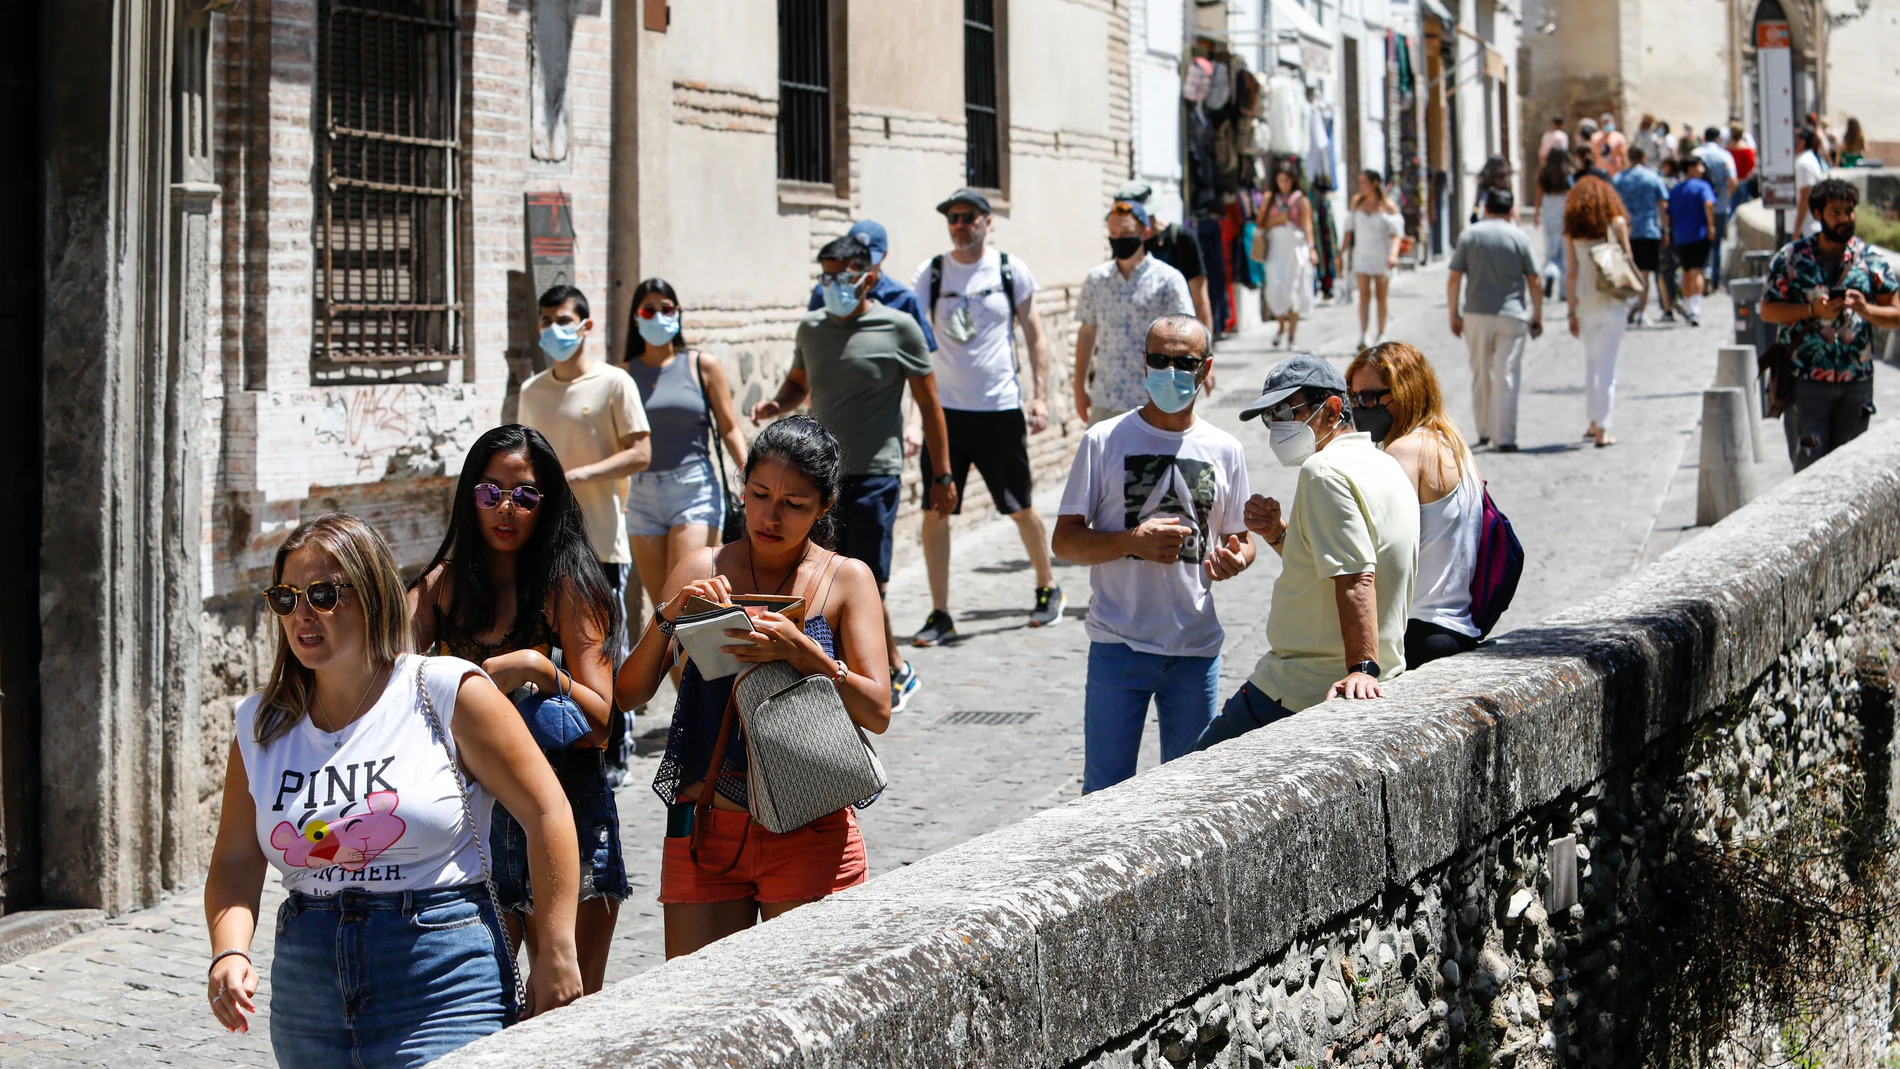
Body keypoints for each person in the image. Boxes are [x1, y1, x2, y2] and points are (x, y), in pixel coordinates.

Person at [204, 514, 583, 1066]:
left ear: (375, 594)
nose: (302, 614)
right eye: (286, 598)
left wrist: (556, 949)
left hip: (442, 975)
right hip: (311, 988)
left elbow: (546, 810)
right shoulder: (260, 724)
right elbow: (237, 860)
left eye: (324, 594)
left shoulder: (446, 690)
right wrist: (229, 950)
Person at [615, 415, 893, 958]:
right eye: (760, 494)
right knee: (700, 1018)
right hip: (706, 829)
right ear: (742, 490)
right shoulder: (703, 565)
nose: (770, 515)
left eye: (794, 503)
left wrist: (809, 656)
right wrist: (669, 617)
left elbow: (878, 710)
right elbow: (627, 694)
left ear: (824, 507)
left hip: (811, 828)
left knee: (816, 1012)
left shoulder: (846, 579)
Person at [408, 425, 627, 993]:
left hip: (567, 813)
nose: (507, 508)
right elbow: (383, 667)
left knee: (568, 1007)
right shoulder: (441, 588)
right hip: (473, 822)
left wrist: (536, 665)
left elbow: (603, 722)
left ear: (547, 503)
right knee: (488, 1006)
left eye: (526, 495)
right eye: (490, 493)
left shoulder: (568, 585)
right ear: (469, 498)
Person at [750, 234, 956, 713]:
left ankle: (891, 668)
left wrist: (941, 475)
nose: (834, 284)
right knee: (821, 579)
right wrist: (774, 406)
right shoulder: (812, 329)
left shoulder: (900, 327)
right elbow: (797, 385)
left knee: (864, 580)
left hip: (874, 473)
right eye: (826, 275)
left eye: (844, 275)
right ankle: (860, 667)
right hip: (815, 481)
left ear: (871, 277)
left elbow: (930, 405)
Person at [1052, 314, 1254, 792]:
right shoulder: (1105, 440)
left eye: (1184, 362)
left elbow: (1240, 540)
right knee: (1103, 794)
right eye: (1160, 359)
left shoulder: (1225, 449)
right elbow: (1064, 541)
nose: (1171, 371)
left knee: (1188, 797)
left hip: (1195, 649)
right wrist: (1129, 541)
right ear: (1143, 364)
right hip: (1118, 644)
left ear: (1206, 370)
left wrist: (1236, 560)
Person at [1191, 354, 1418, 747]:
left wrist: (1361, 668)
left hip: (1300, 684)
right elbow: (1332, 562)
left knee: (1192, 776)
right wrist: (1279, 533)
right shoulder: (1384, 464)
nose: (1277, 425)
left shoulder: (1323, 472)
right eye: (1270, 417)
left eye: (1286, 411)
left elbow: (1356, 575)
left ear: (1332, 409)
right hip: (1373, 672)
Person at [907, 187, 1065, 646]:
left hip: (998, 409)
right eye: (953, 218)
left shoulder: (1009, 270)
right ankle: (940, 614)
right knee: (936, 511)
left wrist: (1040, 397)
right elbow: (912, 347)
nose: (960, 224)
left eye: (969, 217)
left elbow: (1035, 336)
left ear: (987, 221)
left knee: (1019, 507)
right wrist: (915, 420)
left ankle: (1047, 586)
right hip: (945, 416)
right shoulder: (931, 274)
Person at [516, 285, 651, 665]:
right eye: (546, 321)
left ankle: (615, 723)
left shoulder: (614, 383)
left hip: (601, 537)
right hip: (542, 537)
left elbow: (641, 454)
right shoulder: (532, 390)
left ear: (585, 325)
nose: (553, 329)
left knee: (603, 645)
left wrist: (576, 476)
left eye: (563, 321)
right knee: (550, 645)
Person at [1343, 342, 1484, 667]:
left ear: (1404, 391)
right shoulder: (1455, 445)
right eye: (1353, 397)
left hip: (1415, 633)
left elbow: (1381, 549)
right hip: (1456, 627)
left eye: (1368, 397)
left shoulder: (1404, 452)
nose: (1358, 408)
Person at [625, 278, 749, 635]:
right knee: (665, 615)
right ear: (636, 318)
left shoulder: (702, 365)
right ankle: (686, 692)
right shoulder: (624, 374)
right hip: (642, 496)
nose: (659, 317)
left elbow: (729, 427)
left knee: (688, 605)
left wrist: (748, 474)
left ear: (678, 314)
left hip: (693, 488)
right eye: (650, 310)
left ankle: (702, 688)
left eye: (668, 309)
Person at [1759, 178, 1900, 471]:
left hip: (1856, 384)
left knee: (1851, 474)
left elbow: (1895, 315)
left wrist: (1865, 309)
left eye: (1849, 211)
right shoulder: (1792, 258)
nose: (1845, 219)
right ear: (1818, 214)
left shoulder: (1870, 260)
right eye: (1836, 212)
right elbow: (1769, 311)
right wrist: (1812, 309)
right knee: (1808, 472)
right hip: (1805, 383)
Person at [1073, 200, 1195, 425]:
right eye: (1113, 233)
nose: (1119, 239)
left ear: (1145, 233)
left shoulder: (1168, 280)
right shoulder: (1097, 280)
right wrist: (1079, 386)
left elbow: (1187, 339)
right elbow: (1087, 334)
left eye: (1126, 233)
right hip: (1106, 399)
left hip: (1154, 403)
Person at [1448, 187, 1544, 452]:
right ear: (1512, 210)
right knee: (1507, 374)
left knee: (1481, 372)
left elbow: (1454, 276)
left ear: (1486, 208)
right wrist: (1538, 314)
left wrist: (1453, 312)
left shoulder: (1470, 235)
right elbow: (1534, 280)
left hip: (1476, 314)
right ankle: (1505, 436)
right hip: (1512, 314)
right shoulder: (1520, 237)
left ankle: (1484, 430)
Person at [1563, 176, 1637, 447]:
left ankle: (1593, 421)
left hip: (1585, 303)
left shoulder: (1572, 232)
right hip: (1612, 301)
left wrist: (1570, 311)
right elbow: (1627, 260)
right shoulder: (1616, 224)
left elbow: (1571, 273)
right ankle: (1602, 428)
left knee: (1592, 363)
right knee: (1607, 367)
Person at [804, 219, 937, 351]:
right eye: (857, 261)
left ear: (884, 256)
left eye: (870, 260)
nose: (864, 266)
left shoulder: (904, 299)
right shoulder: (826, 291)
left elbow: (921, 354)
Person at [1114, 180, 1214, 334]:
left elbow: (1200, 301)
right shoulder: (1125, 244)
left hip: (1178, 337)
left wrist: (1204, 350)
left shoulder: (1182, 239)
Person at [1341, 169, 1405, 350]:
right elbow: (1348, 231)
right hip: (1362, 255)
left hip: (1381, 256)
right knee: (1363, 295)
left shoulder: (1388, 206)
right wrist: (1341, 253)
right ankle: (1364, 334)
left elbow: (1396, 235)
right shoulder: (1356, 203)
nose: (1360, 186)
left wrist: (1393, 254)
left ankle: (1382, 333)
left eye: (1364, 182)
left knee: (1381, 295)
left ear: (1374, 183)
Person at [1257, 166, 1317, 347]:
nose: (1283, 184)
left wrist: (1312, 248)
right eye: (1280, 180)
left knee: (1294, 290)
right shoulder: (1269, 199)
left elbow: (1307, 225)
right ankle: (1281, 325)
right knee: (1275, 289)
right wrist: (1276, 220)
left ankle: (1292, 336)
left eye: (1287, 180)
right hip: (1276, 248)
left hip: (1295, 249)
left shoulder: (1301, 200)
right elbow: (1260, 222)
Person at [1612, 146, 1670, 324]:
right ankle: (1642, 312)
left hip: (1625, 231)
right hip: (1648, 230)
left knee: (1627, 271)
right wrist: (1665, 229)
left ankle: (1629, 304)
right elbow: (1663, 205)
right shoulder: (1652, 177)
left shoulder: (1619, 179)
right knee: (1644, 274)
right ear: (1644, 157)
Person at [1667, 153, 1717, 326]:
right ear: (1691, 168)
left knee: (1687, 272)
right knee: (1697, 271)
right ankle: (1695, 309)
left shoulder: (1677, 189)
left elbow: (1669, 212)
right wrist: (1711, 226)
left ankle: (1688, 307)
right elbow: (1709, 204)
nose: (1702, 170)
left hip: (1681, 235)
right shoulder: (1702, 186)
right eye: (1699, 166)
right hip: (1699, 233)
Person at [1694, 128, 1739, 287]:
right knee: (1717, 244)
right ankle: (1715, 279)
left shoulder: (1696, 154)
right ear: (1718, 138)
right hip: (1719, 206)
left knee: (1699, 243)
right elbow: (1733, 181)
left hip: (1697, 207)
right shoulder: (1725, 156)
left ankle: (1702, 275)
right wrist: (1727, 197)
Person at [1537, 150, 1575, 300]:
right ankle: (1564, 292)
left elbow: (1539, 193)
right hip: (1563, 212)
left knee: (1551, 251)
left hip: (1548, 211)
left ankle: (1550, 273)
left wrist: (1536, 213)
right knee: (1565, 253)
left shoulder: (1543, 173)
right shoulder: (1567, 174)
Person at [1795, 128, 1830, 239]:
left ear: (1802, 142)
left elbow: (1805, 197)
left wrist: (1797, 229)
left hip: (1806, 230)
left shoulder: (1804, 163)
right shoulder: (1807, 159)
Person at [1728, 122, 1758, 211]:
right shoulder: (1747, 149)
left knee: (1732, 206)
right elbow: (1752, 164)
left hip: (1731, 181)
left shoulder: (1727, 148)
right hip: (1744, 180)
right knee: (1744, 206)